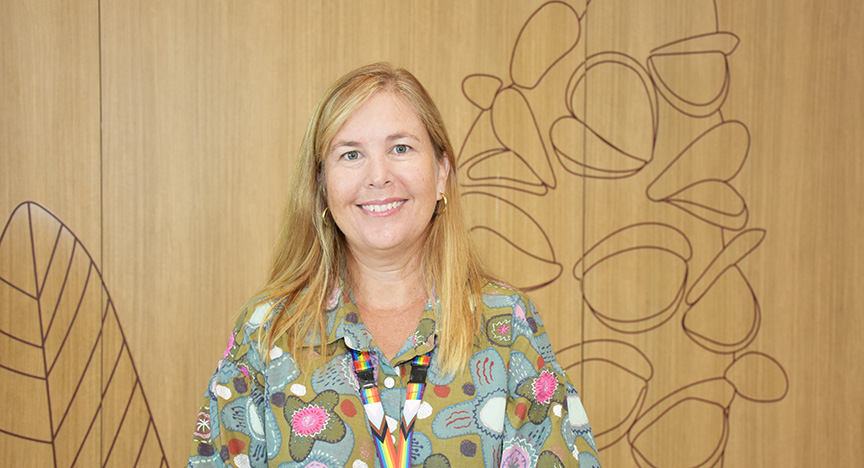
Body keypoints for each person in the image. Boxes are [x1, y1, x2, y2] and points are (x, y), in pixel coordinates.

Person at [188, 62, 601, 468]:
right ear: (322, 187)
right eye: (351, 155)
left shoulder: (507, 326)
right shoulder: (266, 333)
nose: (378, 175)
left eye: (400, 148)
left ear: (441, 172)